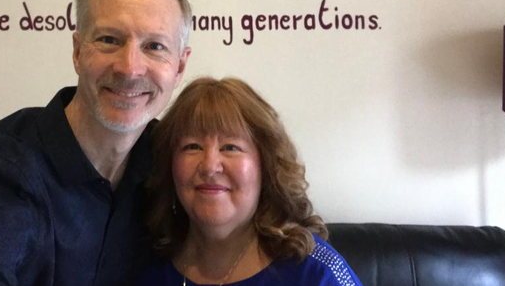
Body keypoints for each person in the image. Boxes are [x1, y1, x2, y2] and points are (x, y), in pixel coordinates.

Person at [0, 0, 192, 286]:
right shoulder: (3, 167)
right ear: (77, 52)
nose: (130, 68)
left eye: (154, 46)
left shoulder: (171, 161)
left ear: (179, 67)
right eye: (109, 40)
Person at [139, 77, 363, 286]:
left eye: (230, 147)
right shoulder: (142, 265)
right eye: (192, 146)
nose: (209, 166)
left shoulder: (318, 273)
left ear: (266, 165)